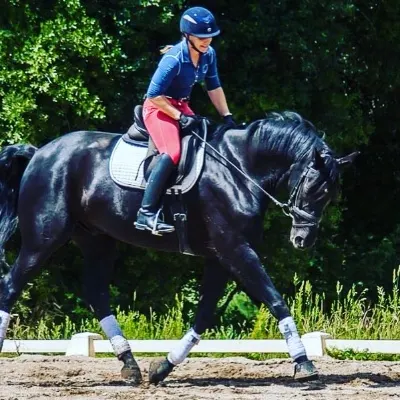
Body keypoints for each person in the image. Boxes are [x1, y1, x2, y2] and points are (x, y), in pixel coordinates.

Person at [134, 6, 236, 235]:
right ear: (187, 35)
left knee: (209, 142)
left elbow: (214, 87)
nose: (206, 40)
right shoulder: (174, 59)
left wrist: (227, 116)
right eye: (201, 36)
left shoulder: (209, 55)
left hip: (181, 104)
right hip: (159, 108)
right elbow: (153, 95)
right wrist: (180, 117)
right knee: (173, 152)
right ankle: (146, 213)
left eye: (210, 36)